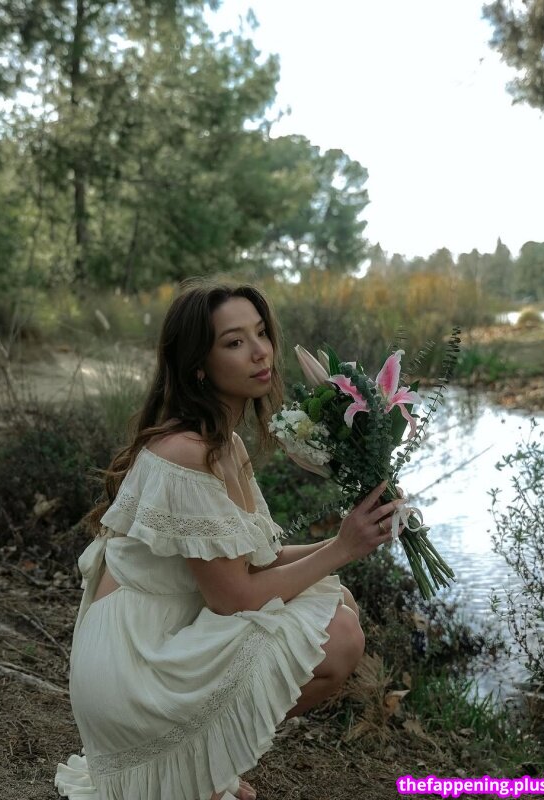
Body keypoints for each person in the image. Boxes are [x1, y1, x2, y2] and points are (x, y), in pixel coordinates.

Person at [54, 278, 402, 800]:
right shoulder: (185, 453)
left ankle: (204, 766)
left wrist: (356, 532)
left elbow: (257, 561)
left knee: (339, 604)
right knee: (338, 633)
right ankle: (195, 768)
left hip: (164, 635)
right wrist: (340, 549)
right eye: (235, 342)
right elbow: (234, 596)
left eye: (261, 333)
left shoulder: (226, 444)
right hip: (133, 664)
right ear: (199, 364)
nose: (260, 351)